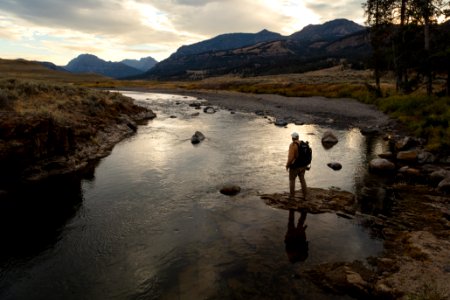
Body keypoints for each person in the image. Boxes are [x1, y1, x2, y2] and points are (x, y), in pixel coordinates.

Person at [285, 132, 308, 199]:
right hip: (303, 166)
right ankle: (305, 195)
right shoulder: (303, 144)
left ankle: (292, 196)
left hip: (295, 166)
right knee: (302, 180)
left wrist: (287, 165)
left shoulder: (293, 145)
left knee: (292, 180)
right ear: (298, 137)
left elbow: (291, 157)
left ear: (292, 138)